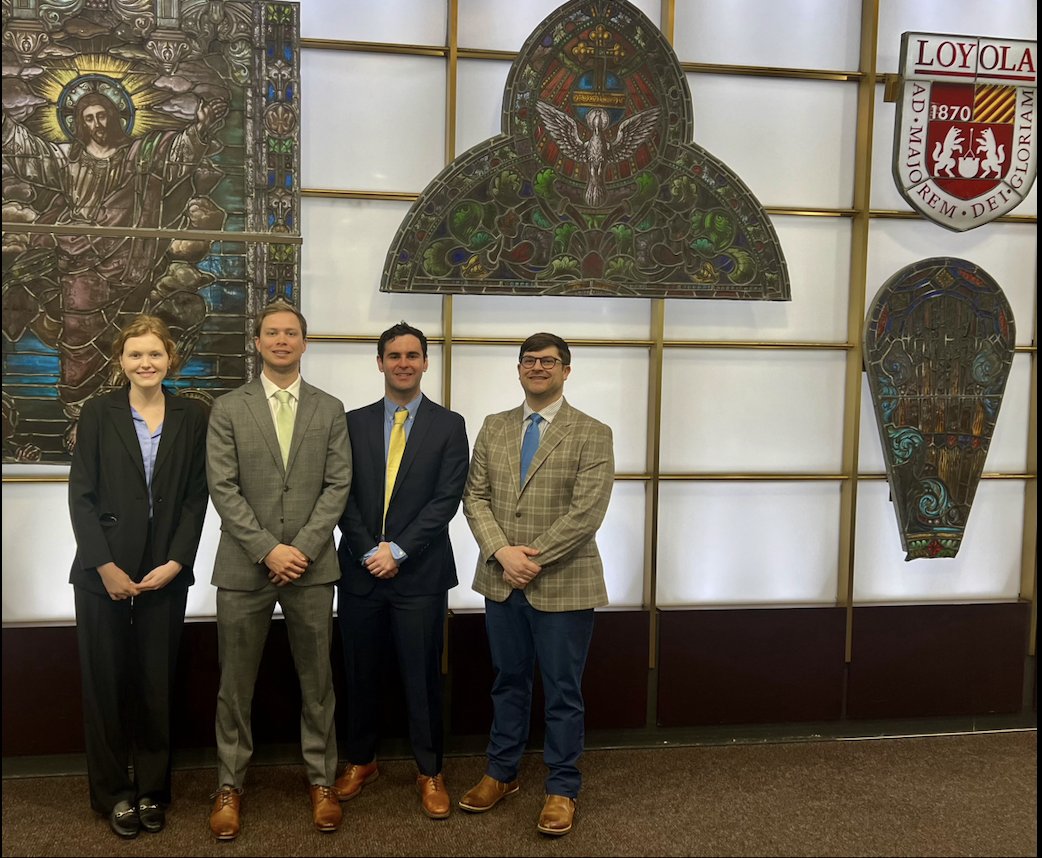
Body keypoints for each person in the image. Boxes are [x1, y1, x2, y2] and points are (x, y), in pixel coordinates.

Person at [2, 89, 228, 450]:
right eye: (88, 118)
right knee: (76, 337)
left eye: (102, 115)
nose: (96, 124)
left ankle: (123, 412)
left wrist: (199, 128)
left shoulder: (139, 156)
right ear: (78, 123)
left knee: (126, 338)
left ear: (114, 116)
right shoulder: (67, 161)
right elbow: (32, 155)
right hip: (78, 263)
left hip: (128, 262)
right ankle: (80, 415)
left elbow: (175, 155)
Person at [205, 300, 351, 839]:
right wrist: (269, 549)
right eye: (272, 333)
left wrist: (304, 548)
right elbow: (223, 489)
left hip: (312, 569)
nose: (282, 340)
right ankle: (229, 785)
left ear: (304, 343)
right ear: (258, 341)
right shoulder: (227, 408)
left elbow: (338, 485)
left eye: (291, 333)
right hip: (244, 568)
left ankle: (322, 780)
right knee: (234, 685)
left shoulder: (329, 408)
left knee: (318, 683)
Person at [459, 332, 614, 837]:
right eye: (529, 361)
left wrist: (531, 559)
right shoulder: (494, 426)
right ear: (519, 369)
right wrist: (501, 552)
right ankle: (501, 773)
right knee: (507, 681)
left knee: (563, 691)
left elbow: (586, 513)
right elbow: (474, 497)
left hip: (564, 583)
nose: (538, 368)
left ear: (566, 371)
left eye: (548, 361)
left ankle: (563, 787)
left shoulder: (593, 432)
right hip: (501, 580)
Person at [67, 314, 209, 839]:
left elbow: (198, 496)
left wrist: (177, 561)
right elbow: (80, 495)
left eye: (154, 354)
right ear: (120, 361)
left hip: (163, 570)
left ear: (170, 358)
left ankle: (152, 790)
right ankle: (111, 795)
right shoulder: (98, 412)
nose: (145, 363)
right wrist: (102, 565)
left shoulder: (193, 415)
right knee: (105, 685)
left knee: (155, 685)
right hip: (102, 570)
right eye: (135, 355)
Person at [334, 321, 469, 819]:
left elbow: (446, 499)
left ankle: (430, 770)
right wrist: (370, 548)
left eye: (413, 355)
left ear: (425, 362)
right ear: (380, 362)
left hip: (421, 574)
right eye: (394, 355)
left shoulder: (449, 425)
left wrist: (400, 550)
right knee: (357, 671)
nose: (404, 363)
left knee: (422, 676)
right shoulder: (352, 422)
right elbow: (338, 493)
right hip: (360, 569)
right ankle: (360, 760)